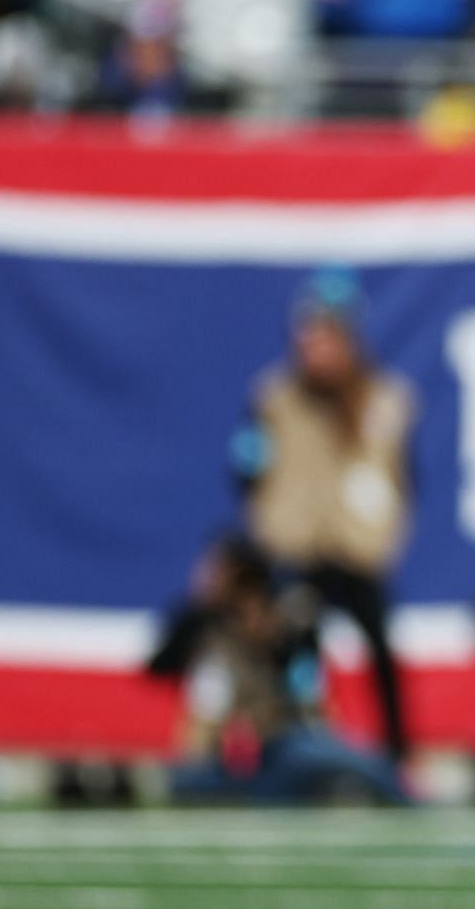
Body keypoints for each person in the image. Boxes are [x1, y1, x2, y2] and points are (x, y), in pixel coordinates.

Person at [234, 267, 418, 762]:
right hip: (294, 550)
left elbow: (402, 476)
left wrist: (384, 536)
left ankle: (398, 755)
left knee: (379, 645)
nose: (316, 347)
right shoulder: (276, 398)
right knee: (293, 639)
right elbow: (248, 467)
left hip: (355, 551)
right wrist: (266, 526)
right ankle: (293, 744)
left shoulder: (382, 399)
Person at [148, 534, 411, 805]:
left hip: (297, 743)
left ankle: (402, 797)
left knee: (341, 759)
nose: (252, 616)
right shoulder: (217, 644)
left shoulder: (294, 633)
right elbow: (203, 719)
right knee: (196, 780)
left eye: (257, 603)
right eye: (243, 607)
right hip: (254, 757)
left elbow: (313, 703)